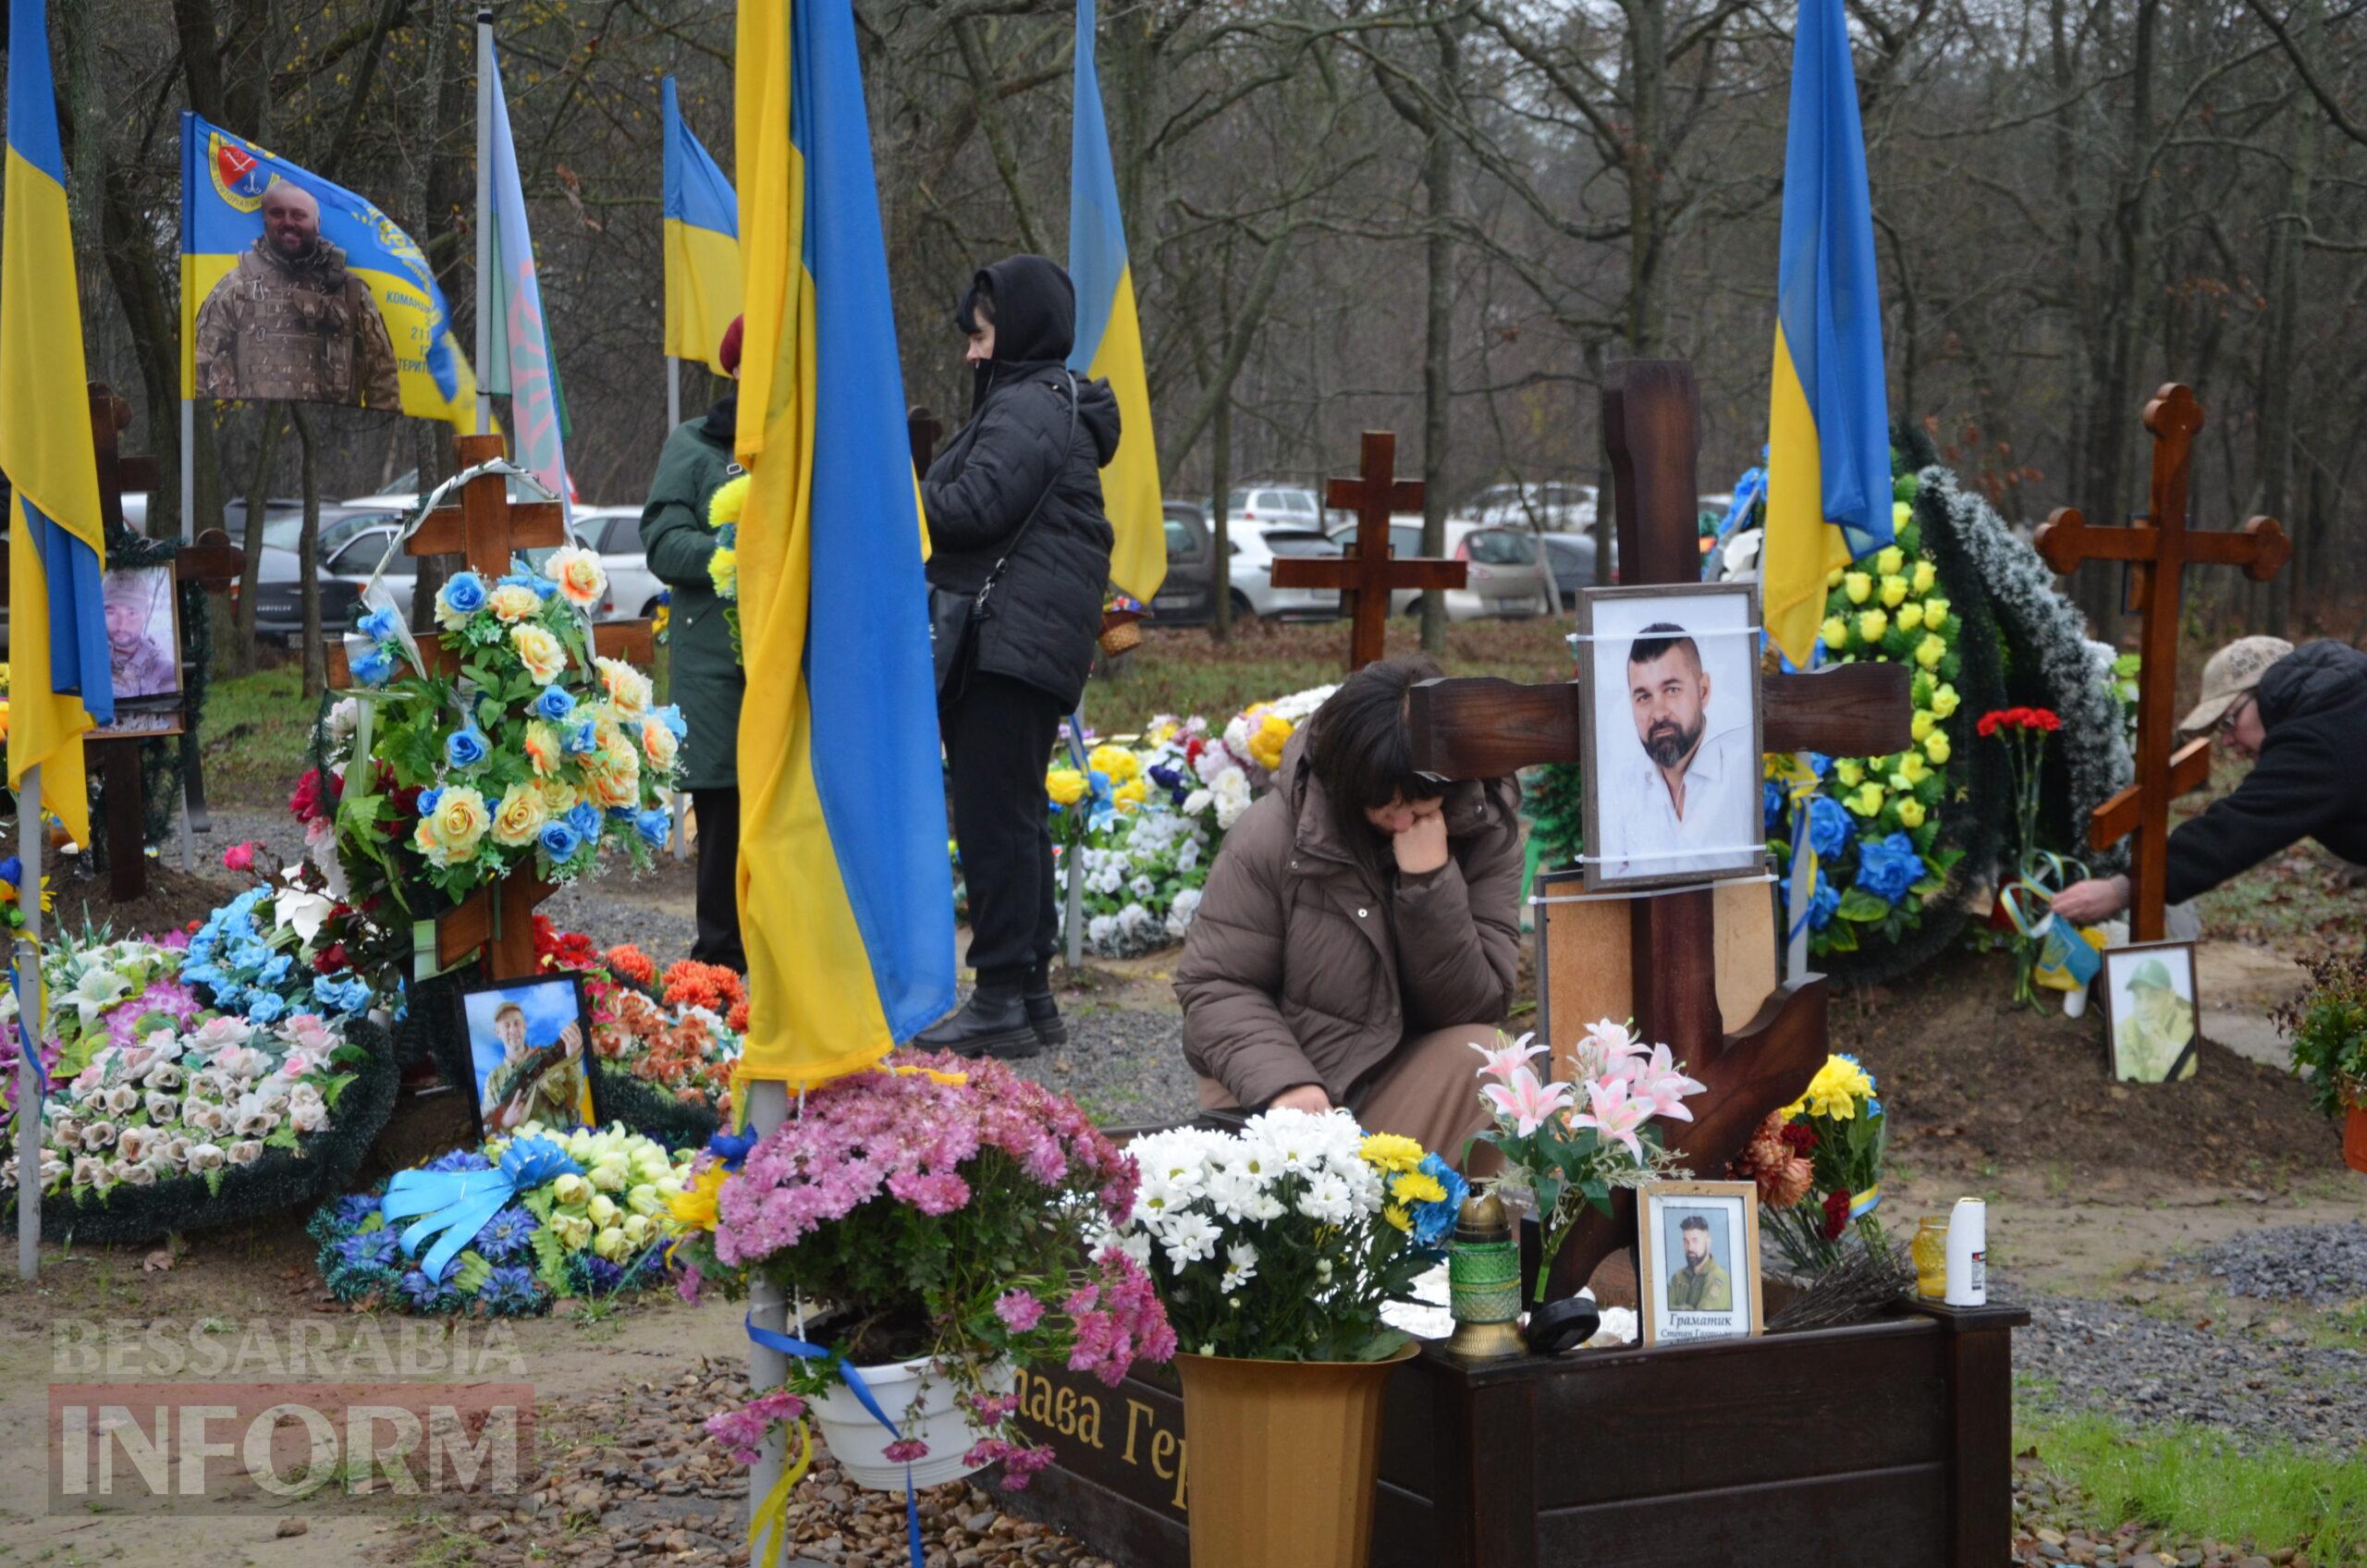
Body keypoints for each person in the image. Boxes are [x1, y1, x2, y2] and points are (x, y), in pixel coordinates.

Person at [1173, 658, 1523, 1167]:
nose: (1404, 819)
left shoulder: (1482, 828)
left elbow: (1473, 1008)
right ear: (1351, 777)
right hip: (1281, 1081)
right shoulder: (1272, 834)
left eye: (1421, 801)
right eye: (1386, 802)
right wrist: (1287, 1084)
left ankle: (1465, 1240)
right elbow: (1215, 985)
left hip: (1398, 1070)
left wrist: (1429, 885)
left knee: (1497, 1060)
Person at [913, 255, 1120, 1059]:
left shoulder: (1030, 405)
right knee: (1018, 817)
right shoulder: (1041, 402)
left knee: (997, 821)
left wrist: (890, 490)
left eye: (982, 334)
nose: (971, 352)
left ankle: (999, 997)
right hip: (1022, 642)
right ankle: (1028, 996)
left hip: (1006, 643)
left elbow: (969, 509)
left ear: (1019, 331)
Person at [2052, 637, 2367, 924]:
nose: (2227, 741)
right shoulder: (2343, 699)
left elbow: (2240, 827)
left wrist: (2120, 890)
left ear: (2269, 692)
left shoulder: (2320, 738)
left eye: (2230, 721)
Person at [640, 316, 749, 972]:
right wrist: (731, 552)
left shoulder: (808, 439)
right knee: (726, 814)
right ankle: (719, 962)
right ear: (735, 369)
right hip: (717, 668)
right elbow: (662, 542)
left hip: (792, 664)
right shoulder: (694, 446)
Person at [192, 180, 402, 408]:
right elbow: (197, 367)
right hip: (253, 436)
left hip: (335, 435)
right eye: (277, 214)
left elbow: (384, 380)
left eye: (298, 215)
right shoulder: (235, 288)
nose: (288, 223)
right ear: (264, 219)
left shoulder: (350, 292)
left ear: (317, 223)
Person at [1604, 622, 1754, 879]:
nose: (1659, 713)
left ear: (1703, 690)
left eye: (1672, 690)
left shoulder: (1745, 775)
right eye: (1643, 697)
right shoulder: (1618, 789)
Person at [479, 1001, 589, 1132]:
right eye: (506, 1025)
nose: (513, 1030)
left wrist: (572, 1059)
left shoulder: (549, 1055)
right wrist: (504, 1122)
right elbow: (485, 1128)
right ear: (498, 1032)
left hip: (566, 1137)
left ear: (524, 1026)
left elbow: (574, 1101)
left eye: (517, 1023)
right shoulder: (494, 1079)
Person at [2114, 958, 2197, 1082]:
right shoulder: (2122, 1033)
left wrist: (2178, 1065)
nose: (2143, 1008)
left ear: (2170, 998)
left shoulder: (2189, 1032)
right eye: (2138, 997)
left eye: (2153, 996)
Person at [103, 570, 178, 700]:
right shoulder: (91, 657)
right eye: (111, 613)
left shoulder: (162, 669)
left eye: (132, 613)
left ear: (146, 614)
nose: (122, 625)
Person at [1665, 1215, 1733, 1312]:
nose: (1690, 1248)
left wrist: (1680, 1310)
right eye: (1686, 1241)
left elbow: (1703, 1319)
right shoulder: (1678, 1277)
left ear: (1708, 1242)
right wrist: (1688, 1309)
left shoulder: (1718, 1277)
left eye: (1695, 1241)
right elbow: (1662, 1312)